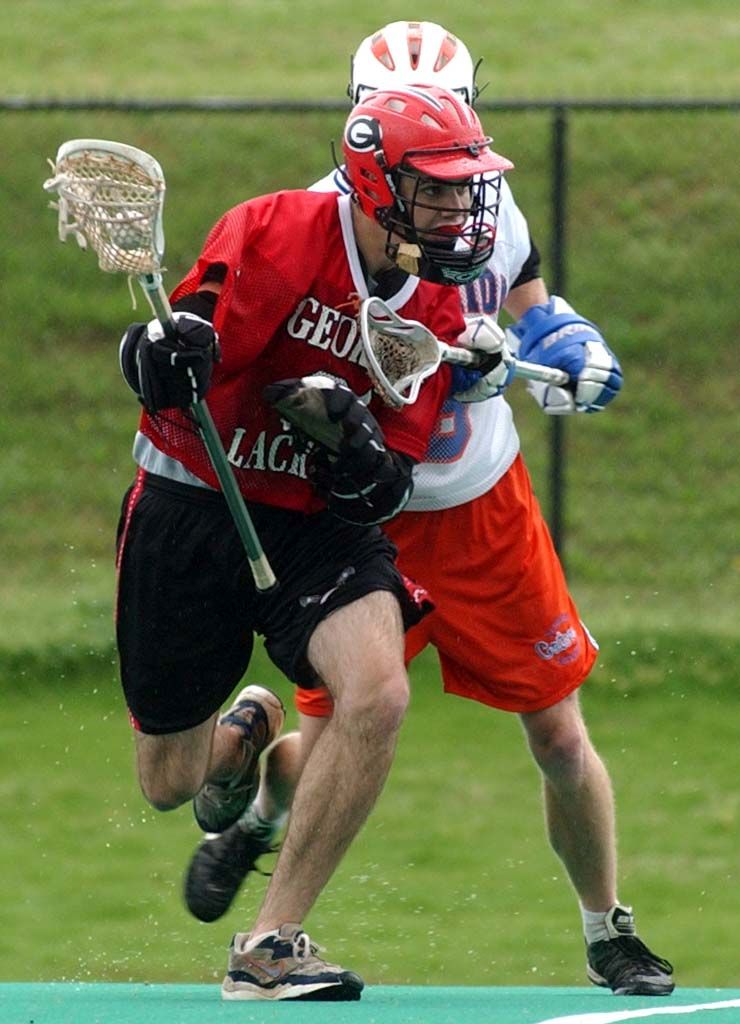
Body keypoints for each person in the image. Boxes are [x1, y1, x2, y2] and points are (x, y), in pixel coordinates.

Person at [182, 21, 675, 999]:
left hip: (484, 504)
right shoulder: (320, 231)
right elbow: (314, 389)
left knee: (557, 732)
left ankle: (605, 928)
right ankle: (267, 848)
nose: (447, 156)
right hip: (373, 515)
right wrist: (443, 372)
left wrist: (568, 343)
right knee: (343, 732)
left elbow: (527, 296)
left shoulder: (486, 201)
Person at [115, 82, 516, 1001]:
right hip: (196, 499)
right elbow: (181, 349)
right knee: (170, 784)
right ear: (377, 182)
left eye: (465, 188)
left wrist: (358, 450)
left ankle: (270, 943)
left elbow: (388, 480)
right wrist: (162, 358)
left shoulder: (439, 305)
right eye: (437, 187)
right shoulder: (278, 230)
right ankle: (236, 748)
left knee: (377, 691)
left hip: (311, 527)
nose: (458, 207)